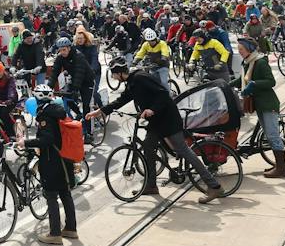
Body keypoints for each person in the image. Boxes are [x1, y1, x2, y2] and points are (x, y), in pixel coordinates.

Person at [92, 60, 223, 200]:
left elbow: (163, 94)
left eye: (113, 75)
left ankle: (214, 186)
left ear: (119, 73)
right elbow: (122, 100)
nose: (113, 78)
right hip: (156, 123)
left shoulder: (140, 78)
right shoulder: (132, 83)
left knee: (183, 150)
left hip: (168, 120)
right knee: (148, 147)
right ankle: (151, 185)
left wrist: (152, 109)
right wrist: (100, 111)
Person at [29, 92, 78, 244]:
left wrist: (26, 143)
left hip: (52, 161)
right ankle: (71, 229)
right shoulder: (58, 112)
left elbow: (47, 139)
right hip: (65, 158)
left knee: (51, 195)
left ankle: (55, 233)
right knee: (65, 193)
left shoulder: (45, 116)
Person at [238, 37, 285, 178]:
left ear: (249, 49)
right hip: (258, 104)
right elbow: (243, 79)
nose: (239, 52)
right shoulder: (247, 62)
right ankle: (278, 165)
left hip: (267, 104)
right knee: (269, 136)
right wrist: (227, 83)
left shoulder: (260, 62)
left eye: (241, 49)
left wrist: (254, 84)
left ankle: (282, 169)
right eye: (239, 49)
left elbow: (271, 81)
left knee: (273, 136)